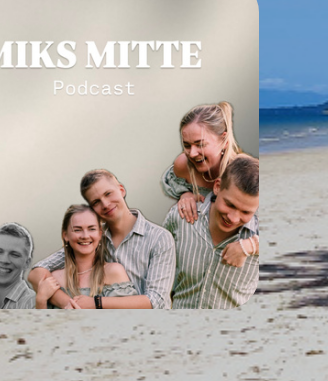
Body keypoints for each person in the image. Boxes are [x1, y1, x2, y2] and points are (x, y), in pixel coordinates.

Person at [27, 169, 177, 309]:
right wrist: (69, 304)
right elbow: (36, 273)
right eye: (96, 202)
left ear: (121, 190)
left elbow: (156, 300)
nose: (105, 204)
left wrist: (95, 303)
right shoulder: (93, 239)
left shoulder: (159, 238)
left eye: (108, 194)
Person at [164, 101, 259, 266]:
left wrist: (249, 246)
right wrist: (184, 193)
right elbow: (171, 182)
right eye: (186, 145)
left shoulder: (242, 171)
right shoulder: (183, 165)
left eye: (200, 144)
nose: (192, 153)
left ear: (224, 140)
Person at [166, 154, 260, 309]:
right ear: (217, 187)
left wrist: (251, 246)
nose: (233, 218)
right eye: (229, 205)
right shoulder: (180, 217)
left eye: (245, 212)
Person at [34, 205, 135, 309]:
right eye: (77, 230)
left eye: (92, 229)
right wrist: (40, 300)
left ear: (100, 234)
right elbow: (44, 320)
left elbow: (128, 317)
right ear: (65, 235)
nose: (85, 236)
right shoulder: (54, 279)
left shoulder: (113, 272)